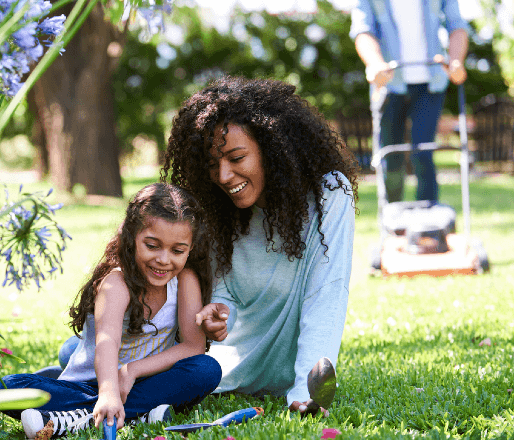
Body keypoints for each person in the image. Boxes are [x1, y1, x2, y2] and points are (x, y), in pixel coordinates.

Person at [162, 76, 359, 417]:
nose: (223, 176)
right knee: (84, 354)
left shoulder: (328, 194)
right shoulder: (220, 212)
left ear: (271, 148)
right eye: (212, 164)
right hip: (223, 371)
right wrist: (219, 313)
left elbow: (326, 296)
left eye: (236, 157)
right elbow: (228, 293)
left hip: (284, 377)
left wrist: (304, 392)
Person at [0, 183, 221, 438]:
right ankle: (139, 413)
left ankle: (76, 418)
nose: (164, 259)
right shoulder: (117, 283)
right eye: (152, 245)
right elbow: (107, 342)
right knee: (6, 388)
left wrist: (132, 370)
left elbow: (193, 347)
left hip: (144, 381)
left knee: (206, 369)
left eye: (177, 250)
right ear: (131, 238)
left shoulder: (185, 280)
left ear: (189, 248)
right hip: (90, 384)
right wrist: (108, 393)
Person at [350, 0, 470, 202]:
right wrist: (375, 63)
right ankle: (392, 218)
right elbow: (363, 30)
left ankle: (429, 220)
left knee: (423, 154)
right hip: (389, 85)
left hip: (431, 83)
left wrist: (456, 60)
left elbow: (456, 24)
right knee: (391, 159)